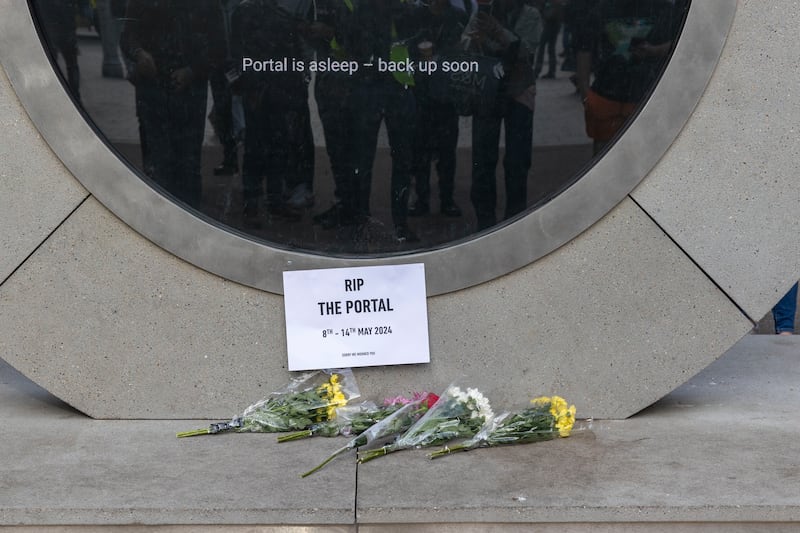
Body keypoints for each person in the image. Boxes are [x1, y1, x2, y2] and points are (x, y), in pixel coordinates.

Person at [121, 0, 226, 208]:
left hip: (189, 97)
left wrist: (192, 71)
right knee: (157, 168)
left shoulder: (208, 4)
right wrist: (139, 54)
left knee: (187, 169)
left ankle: (187, 224)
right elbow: (127, 37)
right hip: (152, 94)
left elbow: (220, 49)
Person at [341, 0, 419, 242]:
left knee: (399, 159)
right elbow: (350, 44)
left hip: (393, 86)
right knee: (365, 160)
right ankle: (368, 220)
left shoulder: (403, 9)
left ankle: (396, 223)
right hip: (374, 87)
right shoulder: (368, 9)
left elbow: (417, 37)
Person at [462, 0, 541, 231]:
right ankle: (484, 221)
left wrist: (497, 31)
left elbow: (527, 49)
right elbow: (465, 42)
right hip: (487, 90)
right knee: (483, 160)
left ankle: (515, 218)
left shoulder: (530, 14)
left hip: (519, 90)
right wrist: (477, 40)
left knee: (517, 160)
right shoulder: (483, 13)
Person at [573, 0, 688, 154]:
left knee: (626, 155)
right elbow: (584, 49)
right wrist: (585, 93)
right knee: (619, 155)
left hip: (639, 95)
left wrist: (654, 50)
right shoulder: (605, 8)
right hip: (624, 95)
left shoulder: (663, 8)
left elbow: (682, 42)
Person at [407, 0, 468, 218]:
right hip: (421, 92)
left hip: (446, 93)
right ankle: (422, 199)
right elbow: (405, 48)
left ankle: (446, 199)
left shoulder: (458, 16)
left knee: (446, 151)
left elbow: (464, 50)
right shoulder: (415, 15)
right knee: (420, 151)